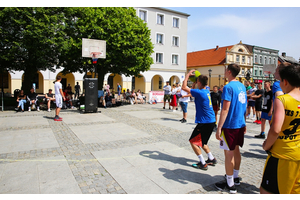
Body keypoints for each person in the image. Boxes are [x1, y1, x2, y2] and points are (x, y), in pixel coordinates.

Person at [260, 63, 300, 194]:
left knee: (266, 192)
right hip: (298, 154)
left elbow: (276, 129)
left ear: (285, 81)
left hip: (281, 155)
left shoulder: (282, 99)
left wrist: (267, 145)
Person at [215, 64, 247, 194]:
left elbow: (225, 109)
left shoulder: (228, 87)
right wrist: (244, 122)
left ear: (229, 72)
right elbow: (244, 106)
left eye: (225, 71)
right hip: (240, 123)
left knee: (229, 153)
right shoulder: (242, 86)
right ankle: (235, 176)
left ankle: (230, 184)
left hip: (229, 125)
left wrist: (219, 128)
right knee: (236, 150)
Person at [182, 70, 217, 171]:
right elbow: (192, 94)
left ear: (200, 83)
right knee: (203, 142)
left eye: (197, 82)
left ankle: (202, 163)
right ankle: (211, 158)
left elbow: (184, 88)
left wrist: (188, 75)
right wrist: (194, 83)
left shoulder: (200, 92)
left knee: (193, 141)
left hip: (205, 122)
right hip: (211, 121)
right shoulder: (206, 90)